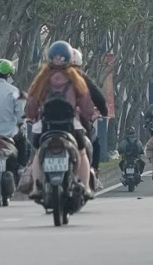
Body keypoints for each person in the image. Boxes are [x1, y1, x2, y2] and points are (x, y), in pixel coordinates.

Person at [24, 41, 98, 189]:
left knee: (39, 155)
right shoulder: (76, 80)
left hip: (46, 126)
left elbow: (31, 104)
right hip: (70, 126)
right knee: (82, 153)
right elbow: (86, 105)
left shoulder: (41, 80)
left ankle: (37, 188)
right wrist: (89, 115)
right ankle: (86, 187)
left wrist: (32, 116)